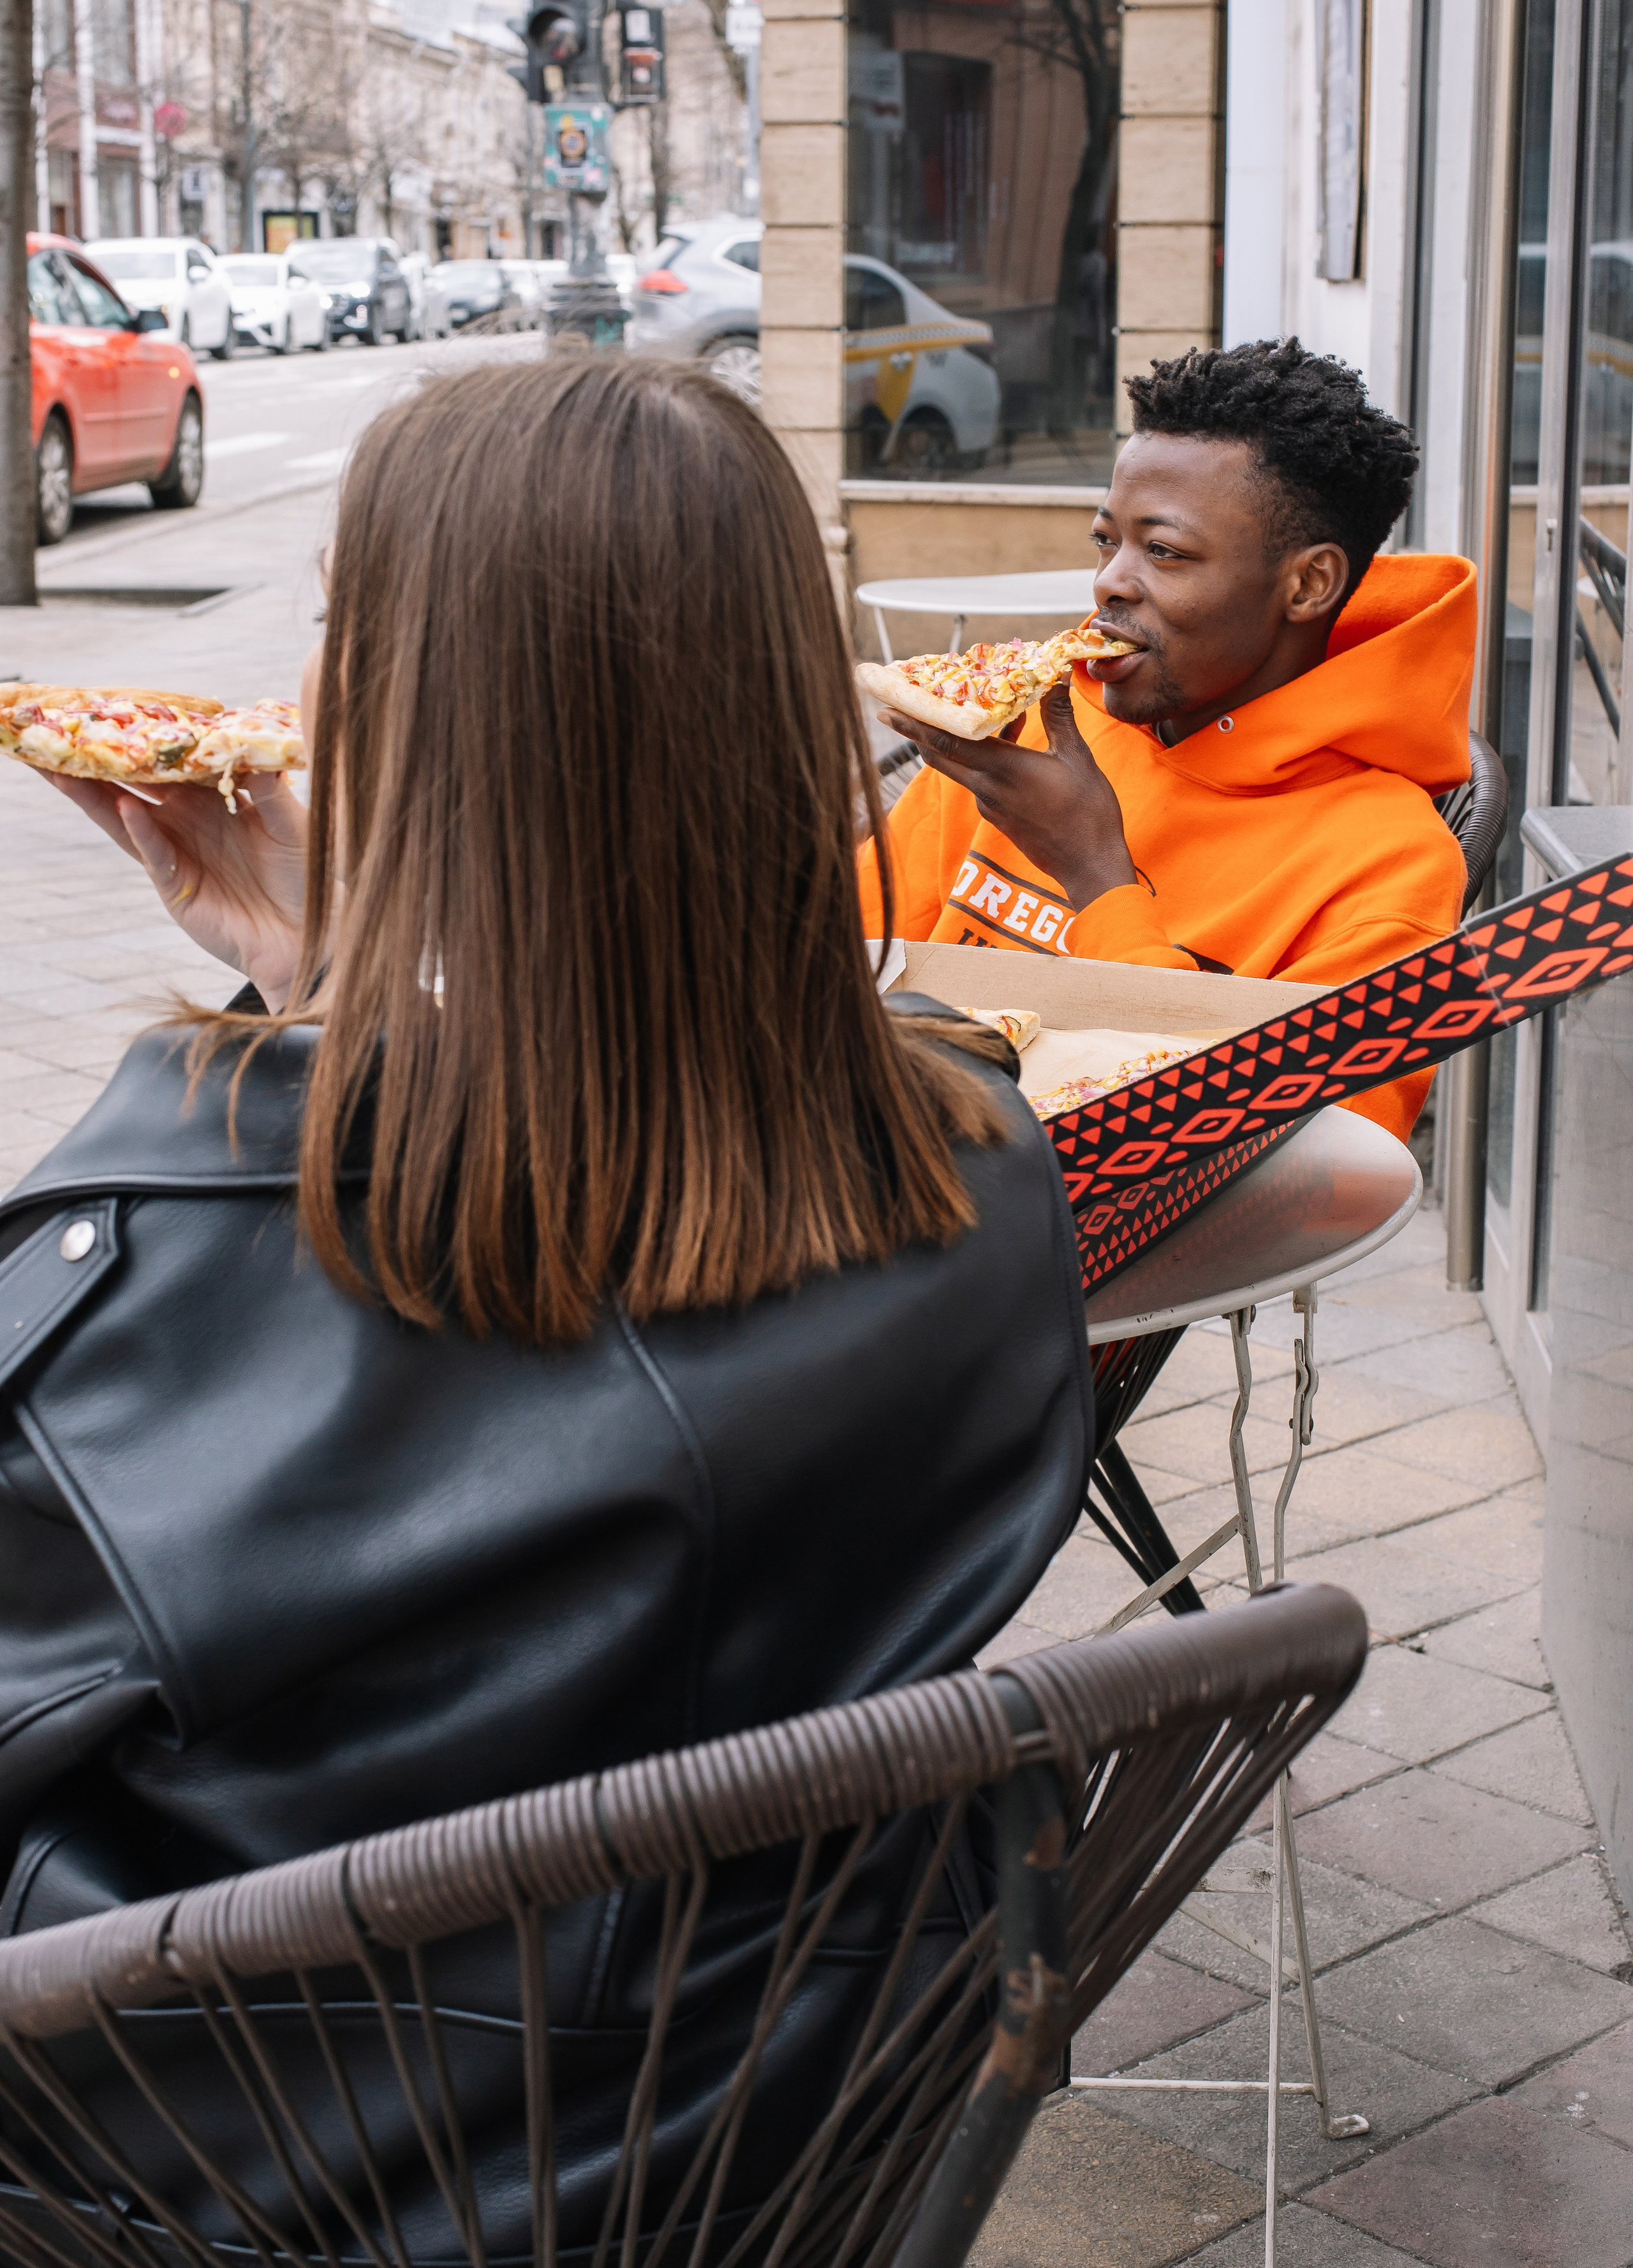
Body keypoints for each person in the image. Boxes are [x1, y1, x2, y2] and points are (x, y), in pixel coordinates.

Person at [0, 353, 1091, 2253]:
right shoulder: (980, 1159)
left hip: (254, 2156)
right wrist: (315, 991)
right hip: (784, 2114)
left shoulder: (179, 1264)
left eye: (345, 619)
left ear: (407, 718)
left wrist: (285, 1066)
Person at [859, 339, 1475, 1143]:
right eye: (1105, 540)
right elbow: (850, 956)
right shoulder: (1034, 725)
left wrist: (1096, 875)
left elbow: (1312, 1166)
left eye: (1164, 551)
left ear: (1307, 584)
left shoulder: (1389, 865)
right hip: (884, 1160)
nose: (1110, 582)